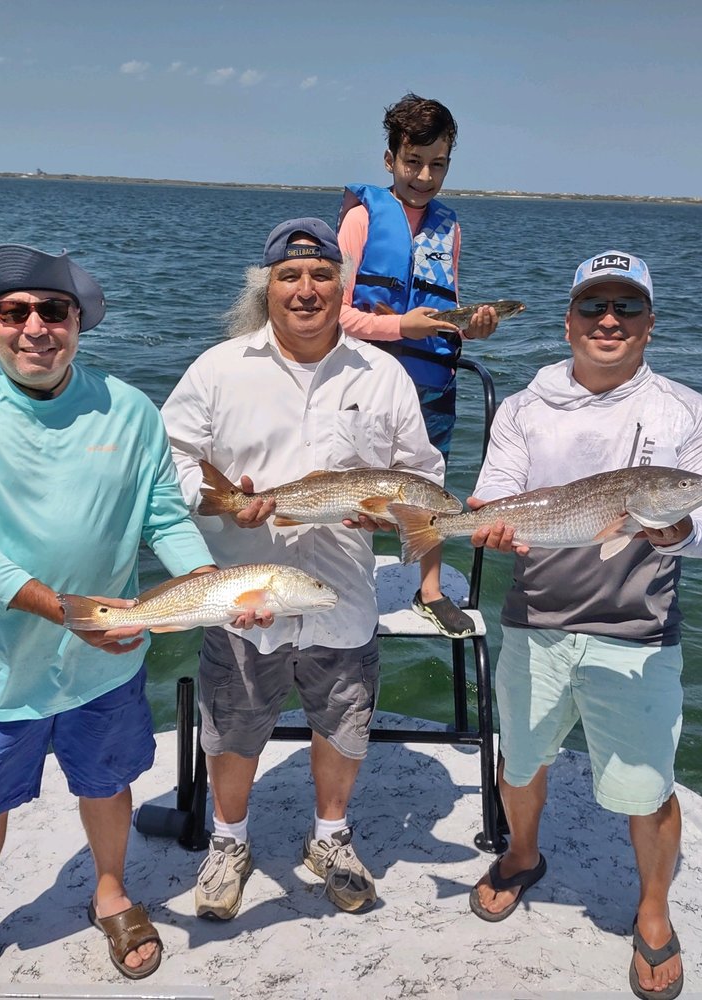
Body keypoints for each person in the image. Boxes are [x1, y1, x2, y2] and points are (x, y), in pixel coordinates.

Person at [0, 245, 226, 998]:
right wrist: (63, 611)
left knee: (106, 783)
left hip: (107, 656)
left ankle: (109, 892)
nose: (35, 328)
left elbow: (163, 515)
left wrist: (208, 582)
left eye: (54, 311)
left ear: (78, 322)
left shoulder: (127, 407)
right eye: (14, 313)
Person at [465, 251, 702, 1000]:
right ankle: (521, 856)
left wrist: (677, 527)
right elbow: (493, 492)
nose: (608, 320)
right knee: (521, 763)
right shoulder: (524, 406)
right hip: (535, 621)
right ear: (568, 322)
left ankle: (652, 910)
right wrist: (484, 526)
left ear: (650, 324)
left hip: (638, 632)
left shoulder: (688, 411)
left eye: (625, 307)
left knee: (648, 787)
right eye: (593, 307)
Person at [161, 218, 444, 920]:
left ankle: (330, 837)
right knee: (232, 720)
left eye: (321, 275)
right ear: (266, 289)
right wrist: (223, 505)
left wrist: (400, 517)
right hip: (245, 585)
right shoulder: (218, 368)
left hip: (341, 588)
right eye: (289, 277)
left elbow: (419, 474)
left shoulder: (381, 375)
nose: (306, 289)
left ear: (340, 286)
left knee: (343, 718)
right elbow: (166, 462)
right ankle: (228, 842)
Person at [337, 92, 502, 639]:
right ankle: (340, 580)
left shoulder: (449, 229)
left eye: (438, 165)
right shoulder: (361, 220)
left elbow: (443, 306)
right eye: (413, 163)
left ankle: (428, 590)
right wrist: (398, 327)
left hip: (432, 381)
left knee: (430, 485)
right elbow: (334, 316)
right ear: (390, 160)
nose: (425, 176)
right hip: (362, 380)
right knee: (349, 484)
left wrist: (469, 326)